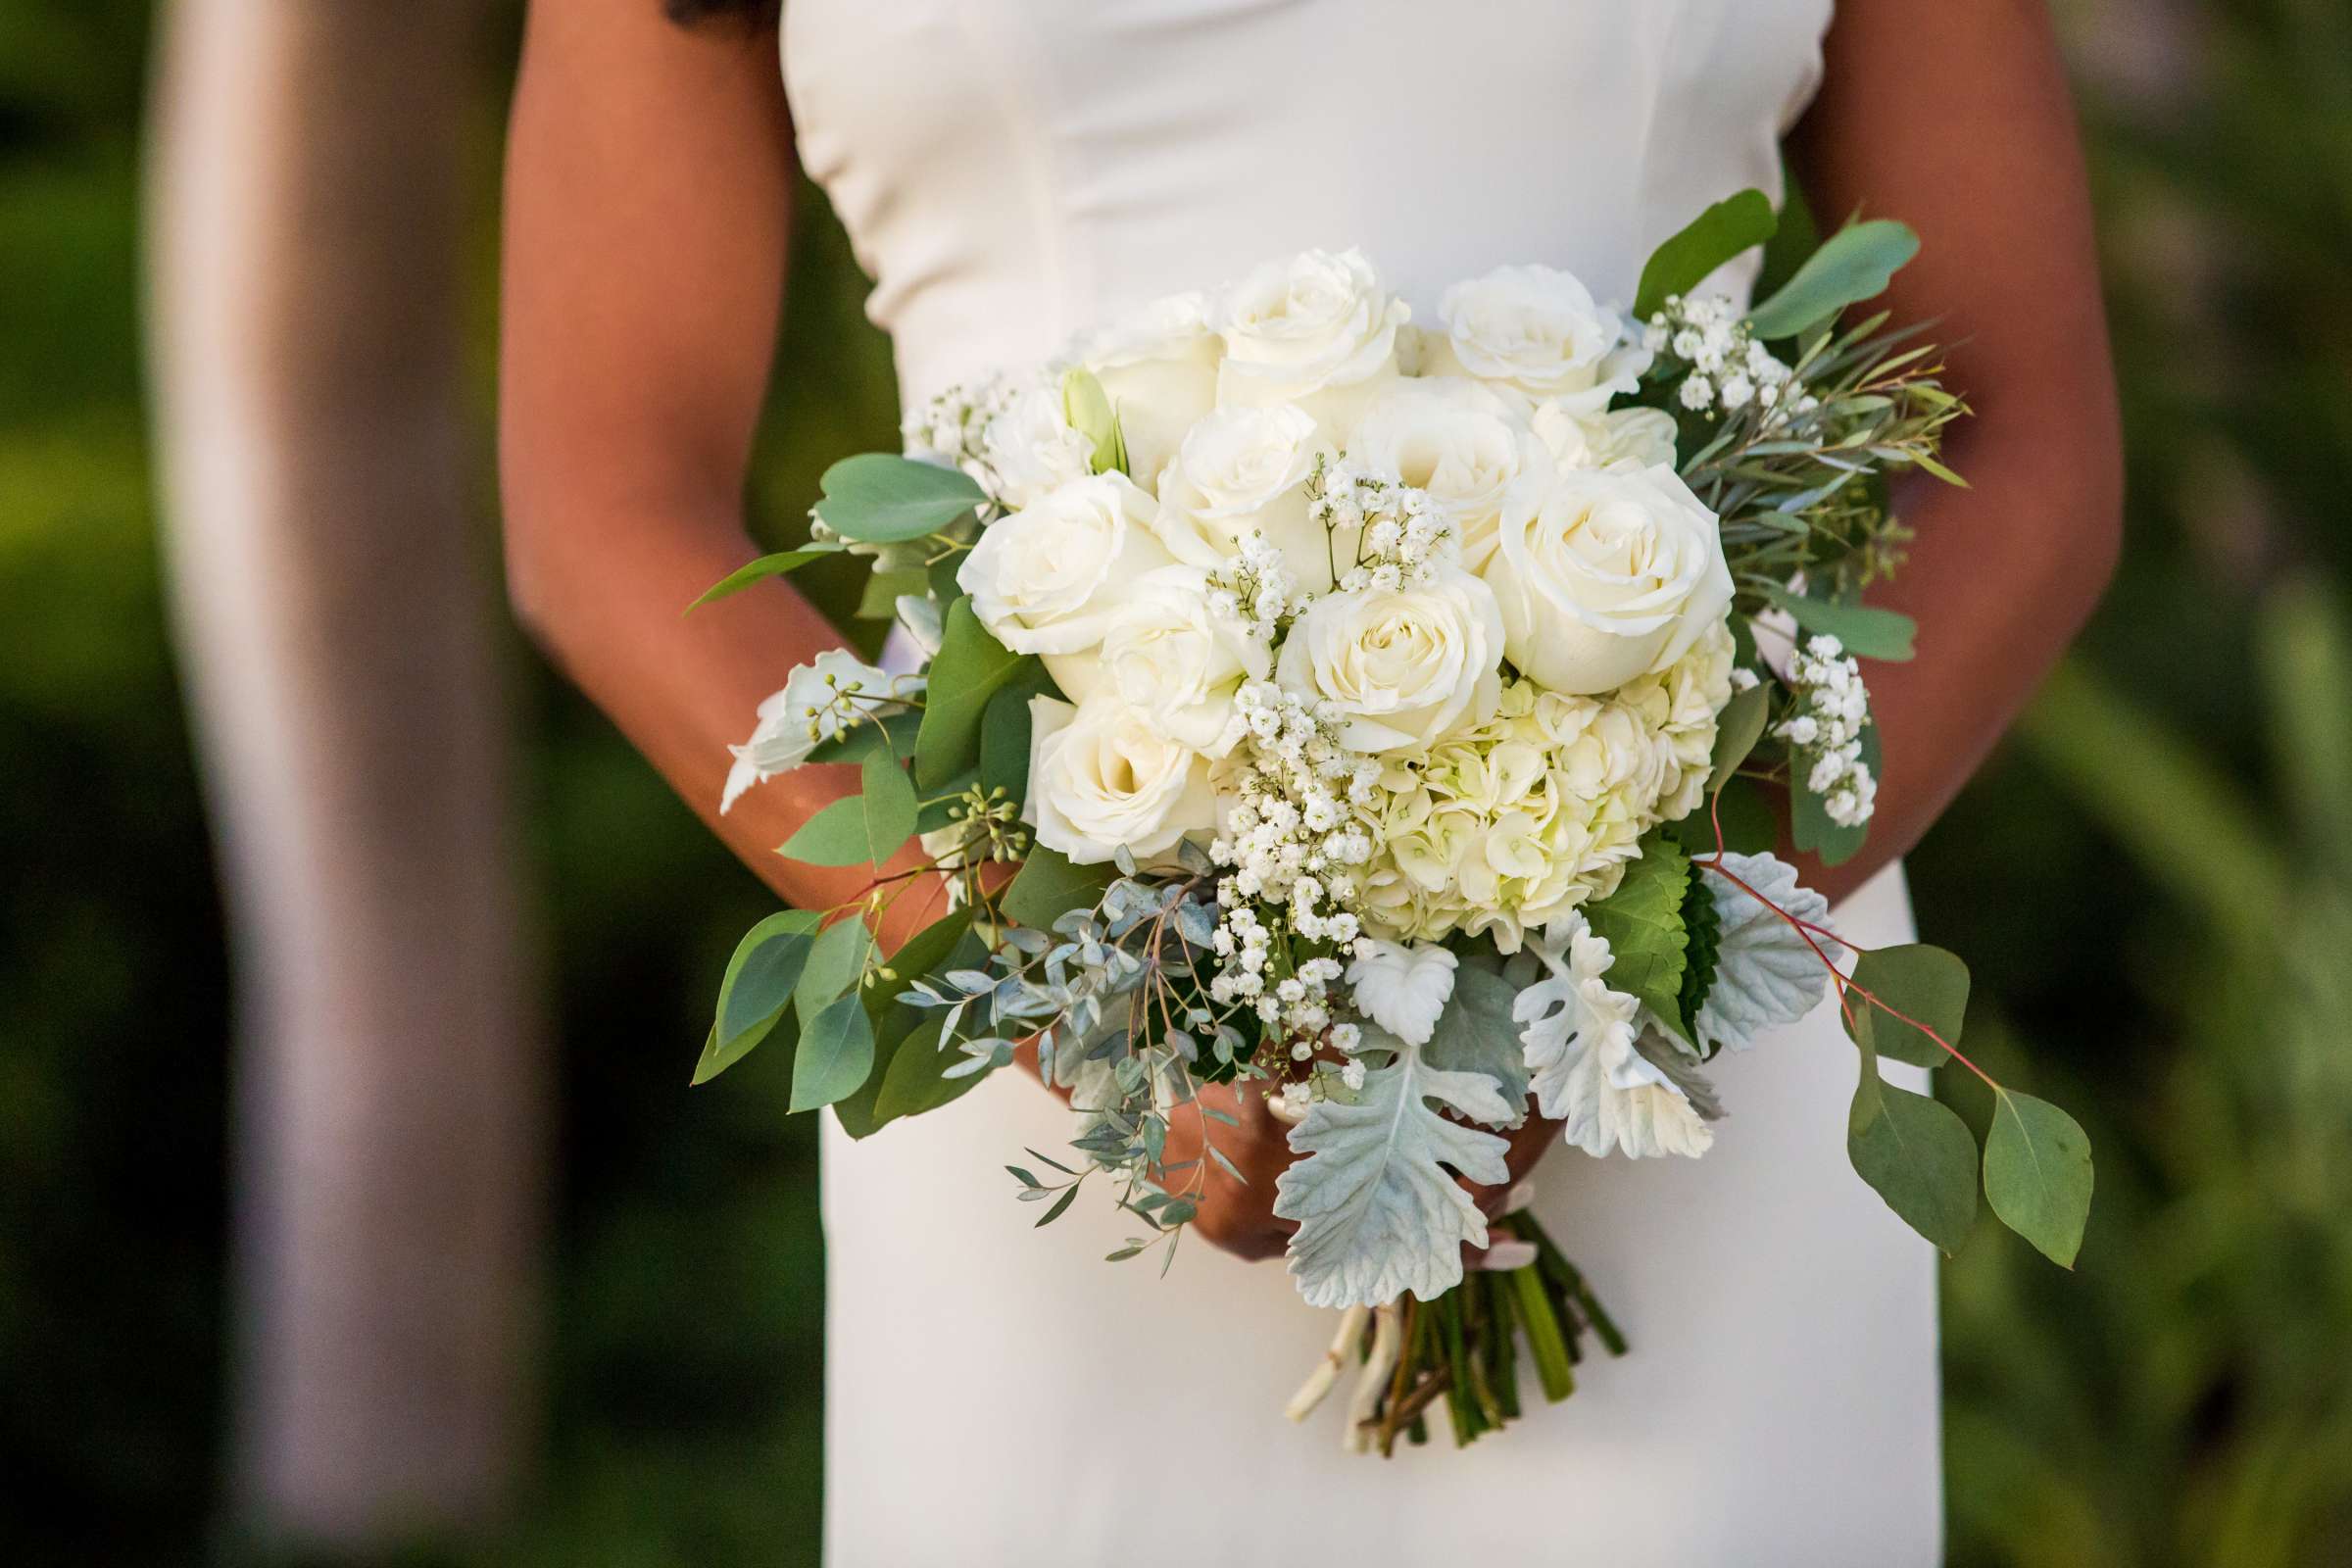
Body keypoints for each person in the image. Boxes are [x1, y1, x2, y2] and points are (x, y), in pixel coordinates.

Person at [500, 2, 2121, 1561]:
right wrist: (1084, 1004)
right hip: (1053, 1082)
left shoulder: (1660, 971)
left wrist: (1618, 969)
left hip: (1687, 1060)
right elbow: (607, 497)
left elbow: (2024, 432)